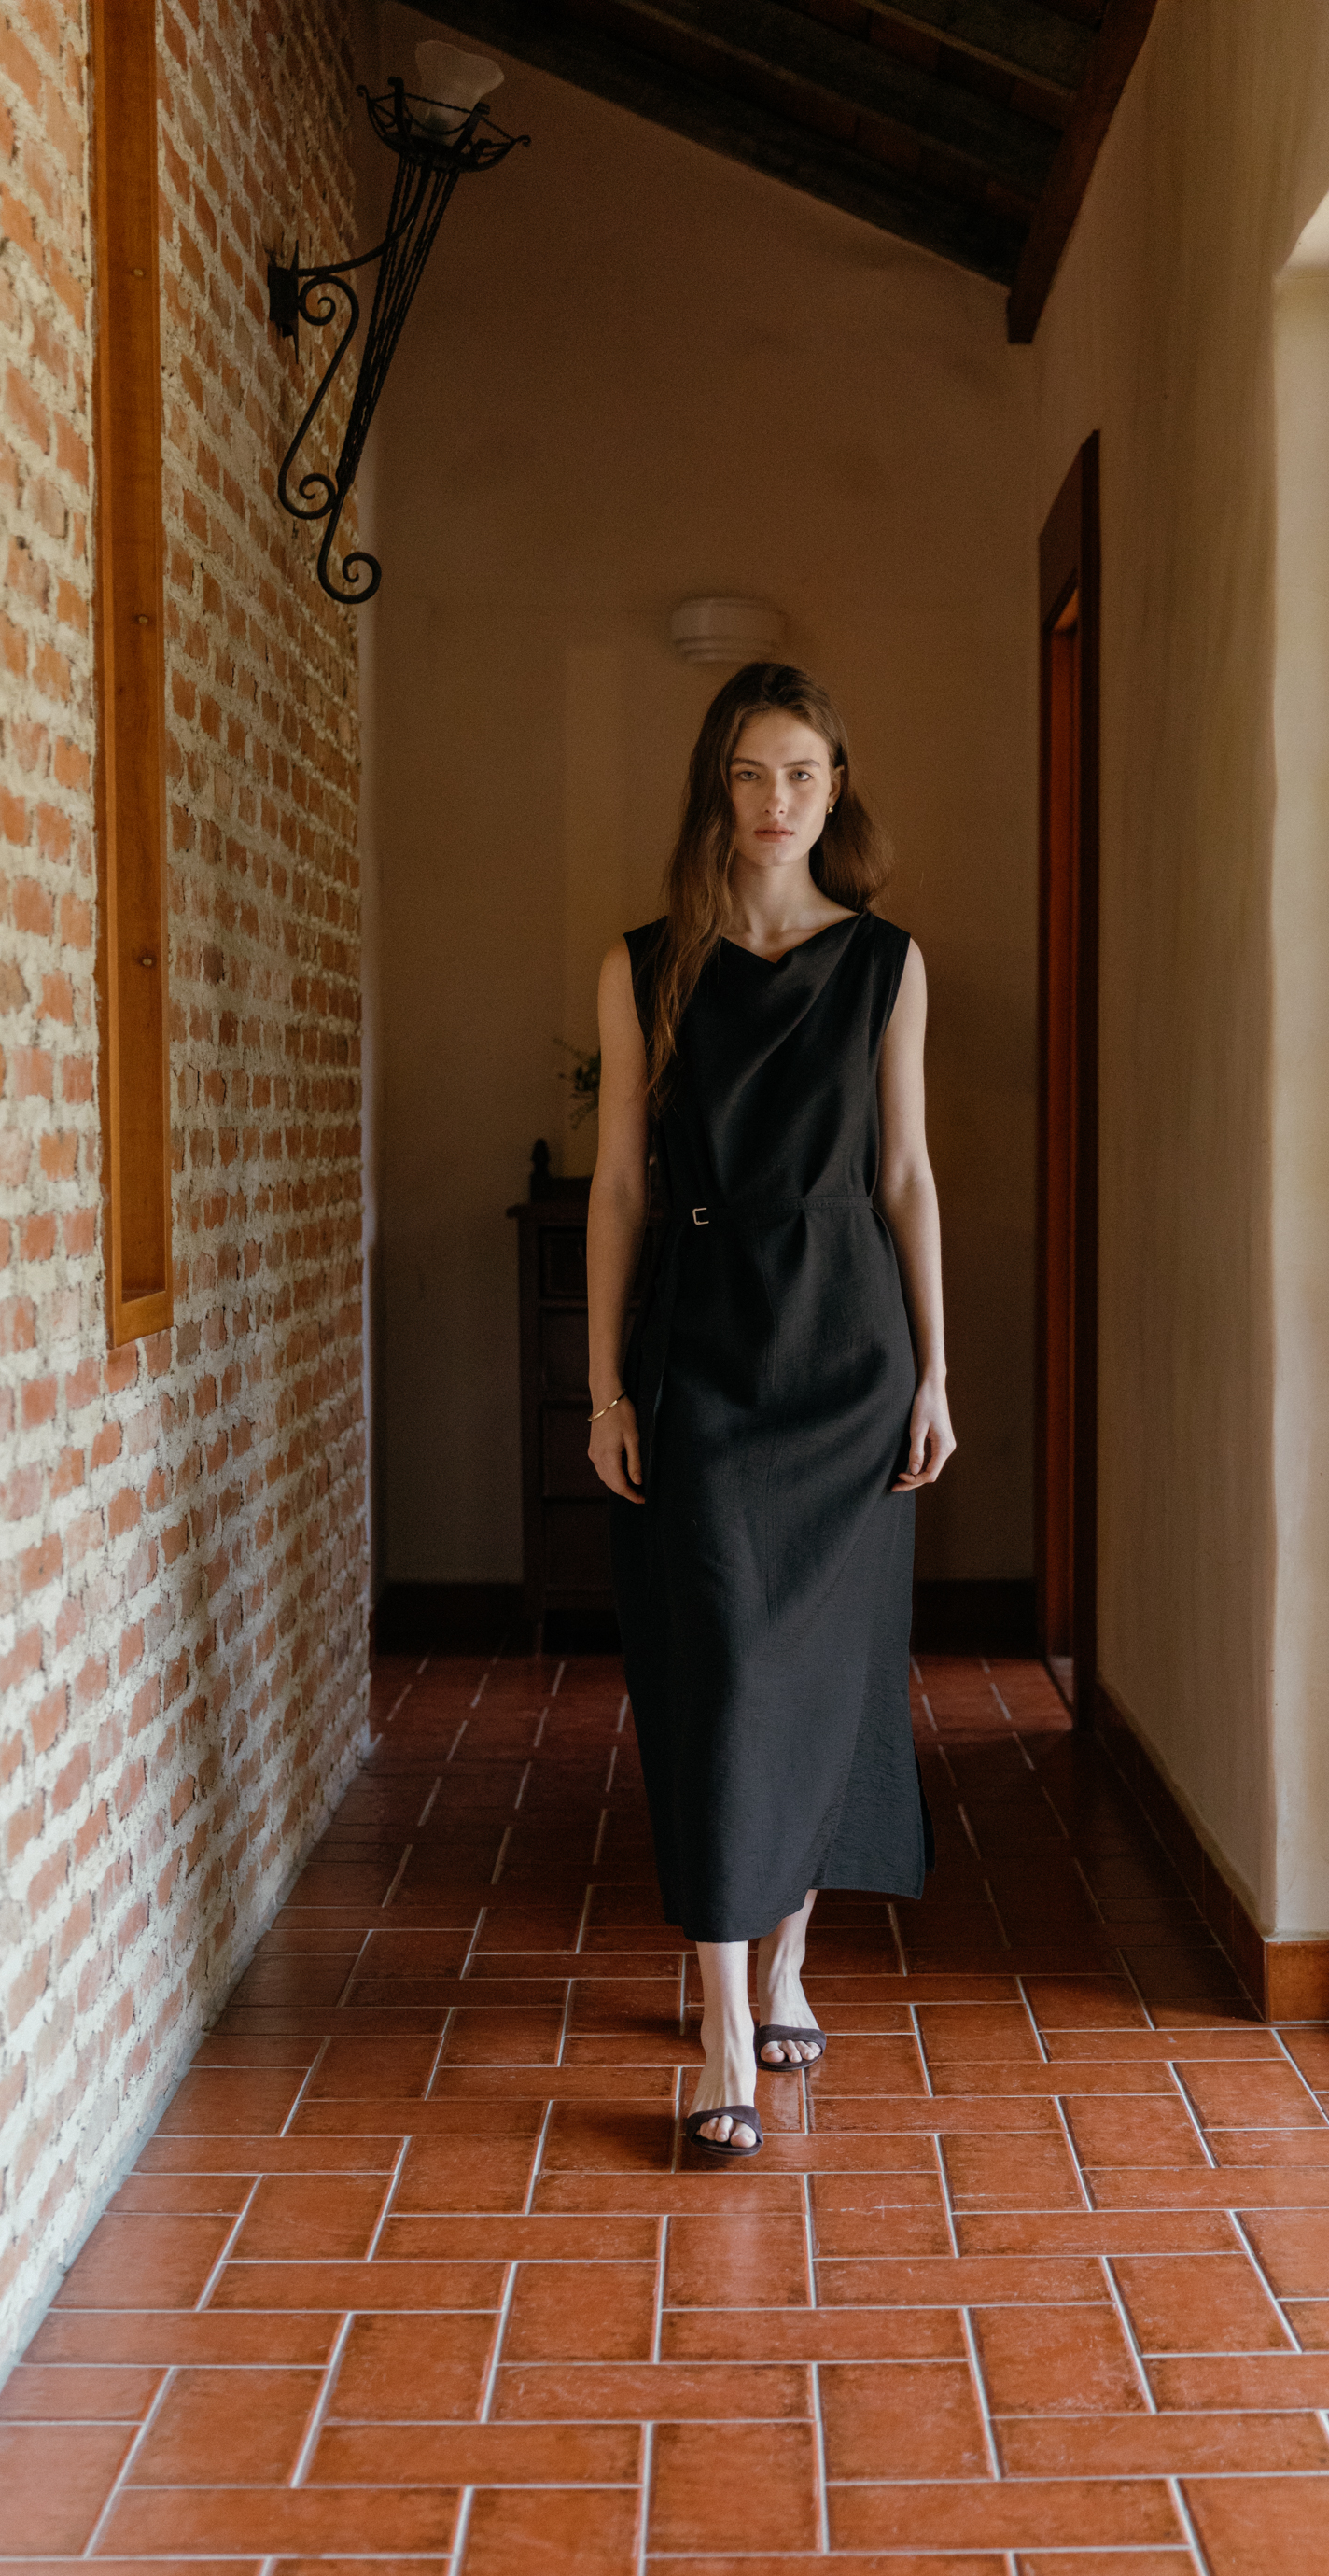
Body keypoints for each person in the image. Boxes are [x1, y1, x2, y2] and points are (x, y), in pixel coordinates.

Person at [585, 662, 955, 2161]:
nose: (776, 800)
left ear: (835, 788)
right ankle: (722, 2018)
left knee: (823, 1675)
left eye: (801, 772)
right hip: (704, 1342)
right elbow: (619, 1184)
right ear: (716, 789)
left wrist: (937, 1370)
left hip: (847, 1353)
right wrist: (606, 1384)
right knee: (721, 1671)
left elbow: (907, 1176)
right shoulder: (645, 965)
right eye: (749, 772)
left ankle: (786, 1963)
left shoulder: (887, 964)